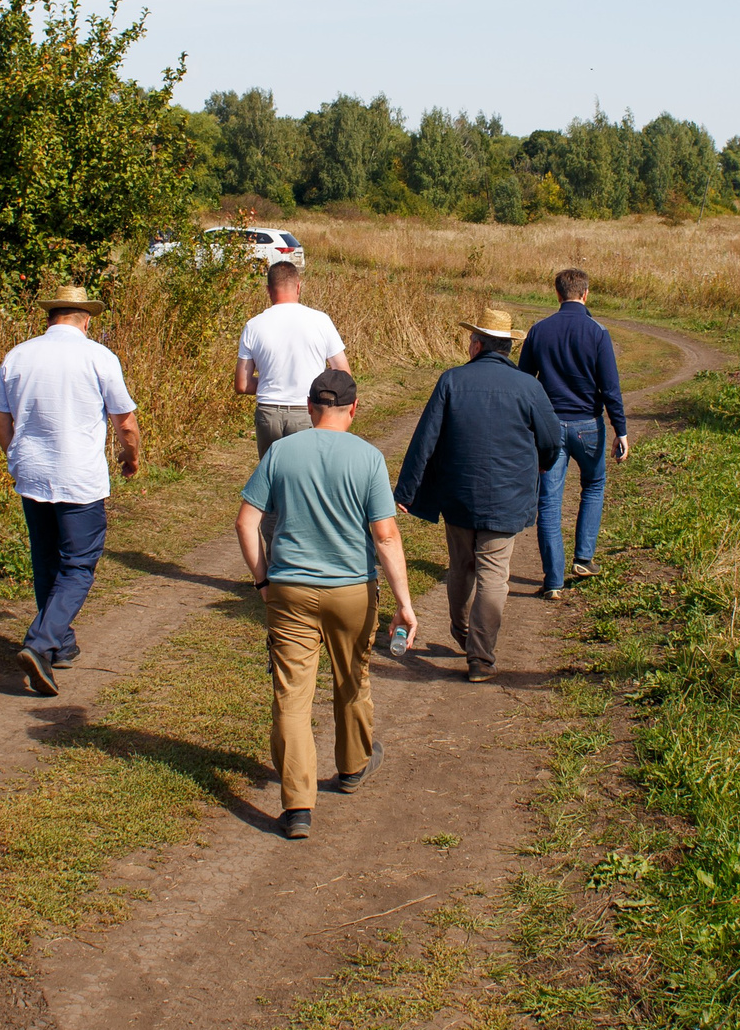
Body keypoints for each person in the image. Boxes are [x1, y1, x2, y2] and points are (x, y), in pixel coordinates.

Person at [234, 369, 419, 839]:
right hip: (352, 590)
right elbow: (385, 534)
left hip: (290, 590)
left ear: (309, 408)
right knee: (352, 676)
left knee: (292, 695)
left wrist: (262, 583)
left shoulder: (280, 452)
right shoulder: (369, 458)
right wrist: (404, 601)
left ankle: (297, 806)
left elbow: (245, 523)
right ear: (353, 409)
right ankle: (353, 767)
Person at [0, 284, 142, 697]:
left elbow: (0, 421)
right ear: (86, 319)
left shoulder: (18, 355)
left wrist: (14, 455)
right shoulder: (98, 356)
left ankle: (60, 643)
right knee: (78, 563)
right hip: (79, 477)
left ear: (49, 316)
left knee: (46, 558)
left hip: (32, 473)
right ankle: (40, 644)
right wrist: (131, 458)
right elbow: (125, 422)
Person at [391, 305, 562, 683]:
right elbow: (552, 440)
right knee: (494, 575)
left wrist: (406, 489)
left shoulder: (451, 381)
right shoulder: (529, 387)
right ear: (507, 348)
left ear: (478, 344)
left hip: (458, 495)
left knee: (461, 565)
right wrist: (542, 463)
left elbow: (425, 440)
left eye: (471, 339)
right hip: (508, 497)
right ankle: (480, 657)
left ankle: (462, 630)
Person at [519, 267, 629, 599]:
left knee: (549, 501)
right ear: (586, 294)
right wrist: (620, 430)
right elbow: (610, 387)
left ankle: (552, 581)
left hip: (550, 428)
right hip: (588, 426)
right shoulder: (597, 331)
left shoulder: (539, 331)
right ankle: (584, 558)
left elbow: (525, 382)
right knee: (593, 486)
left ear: (557, 294)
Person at [235, 260, 352, 569]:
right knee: (311, 485)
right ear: (298, 287)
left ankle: (275, 564)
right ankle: (308, 560)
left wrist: (274, 380)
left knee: (272, 487)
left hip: (269, 414)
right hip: (309, 413)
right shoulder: (320, 320)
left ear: (269, 290)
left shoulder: (254, 325)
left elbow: (243, 383)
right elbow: (342, 372)